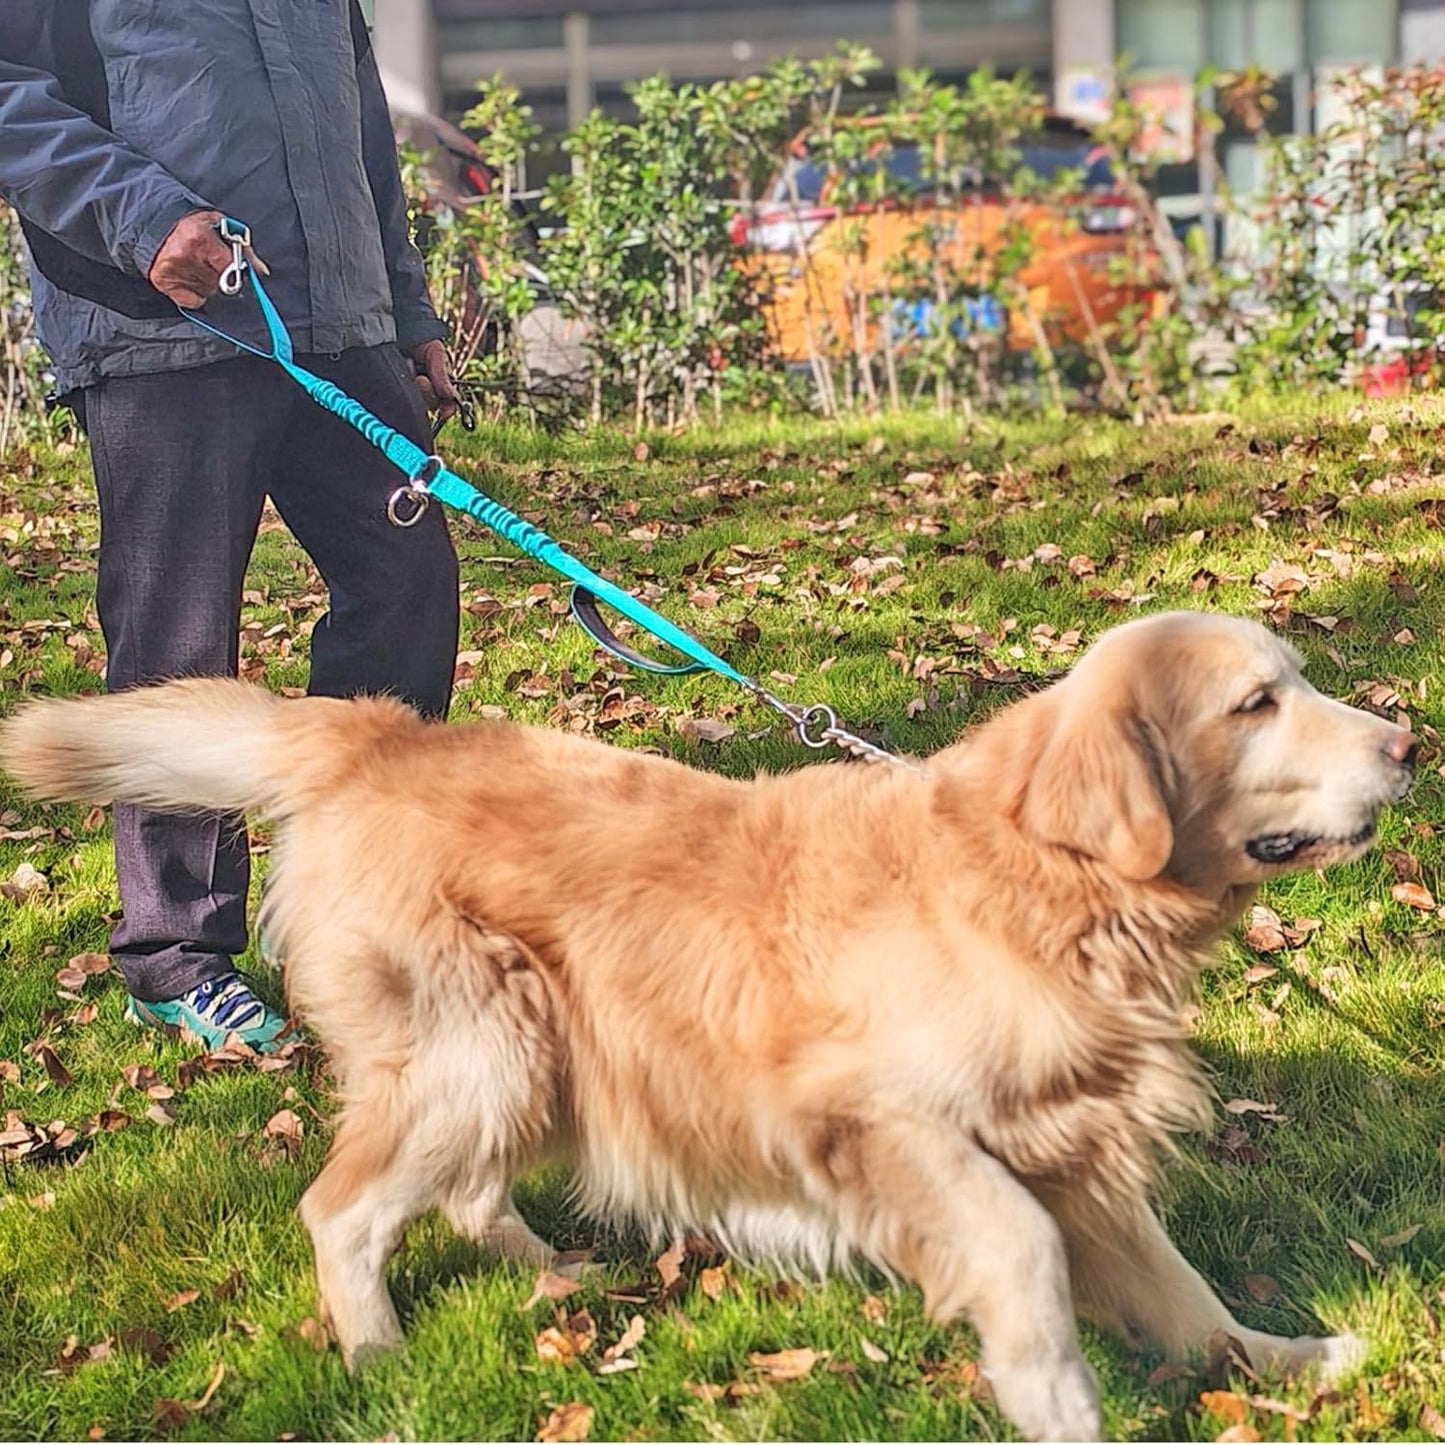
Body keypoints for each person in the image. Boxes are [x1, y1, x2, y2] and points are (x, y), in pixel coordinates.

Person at [0, 2, 462, 1051]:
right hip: (160, 322)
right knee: (179, 640)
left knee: (406, 585)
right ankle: (175, 954)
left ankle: (349, 900)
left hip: (334, 322)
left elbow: (360, 124)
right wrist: (142, 214)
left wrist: (406, 307)